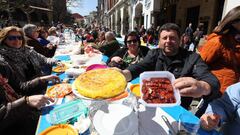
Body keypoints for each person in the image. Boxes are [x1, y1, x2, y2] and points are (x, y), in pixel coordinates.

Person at [119, 23, 220, 113]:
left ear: (180, 40)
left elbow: (212, 81)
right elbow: (139, 67)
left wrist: (203, 87)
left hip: (178, 109)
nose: (168, 41)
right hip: (153, 105)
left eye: (172, 38)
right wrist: (123, 74)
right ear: (159, 41)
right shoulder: (153, 54)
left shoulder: (192, 58)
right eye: (164, 38)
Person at [0, 26, 60, 95]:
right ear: (4, 40)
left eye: (19, 38)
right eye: (11, 38)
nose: (17, 40)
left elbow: (44, 59)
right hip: (29, 97)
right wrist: (42, 79)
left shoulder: (28, 50)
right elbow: (20, 87)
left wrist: (58, 62)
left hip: (43, 84)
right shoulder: (3, 61)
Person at [0, 67, 54, 135]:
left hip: (25, 112)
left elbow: (21, 87)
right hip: (12, 128)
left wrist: (41, 79)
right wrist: (26, 101)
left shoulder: (3, 67)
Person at [200, 6, 240, 94]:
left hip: (234, 90)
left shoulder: (236, 39)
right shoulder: (217, 41)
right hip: (219, 91)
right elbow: (200, 64)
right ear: (234, 22)